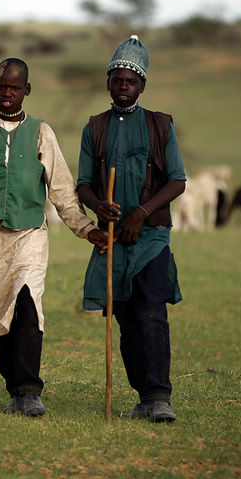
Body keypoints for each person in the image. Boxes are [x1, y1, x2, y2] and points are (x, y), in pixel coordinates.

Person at [0, 58, 109, 417]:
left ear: (27, 90)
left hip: (30, 234)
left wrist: (85, 228)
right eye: (2, 86)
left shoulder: (42, 132)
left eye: (15, 87)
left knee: (27, 306)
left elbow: (61, 188)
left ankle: (30, 392)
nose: (8, 93)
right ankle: (15, 390)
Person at [76, 35, 187, 422]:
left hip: (151, 236)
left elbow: (177, 181)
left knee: (151, 312)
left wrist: (141, 212)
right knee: (125, 317)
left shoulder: (160, 125)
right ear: (108, 82)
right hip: (114, 240)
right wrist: (97, 205)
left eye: (131, 81)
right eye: (117, 79)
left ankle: (159, 397)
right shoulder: (95, 128)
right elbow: (83, 185)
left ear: (142, 85)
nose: (123, 87)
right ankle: (142, 398)